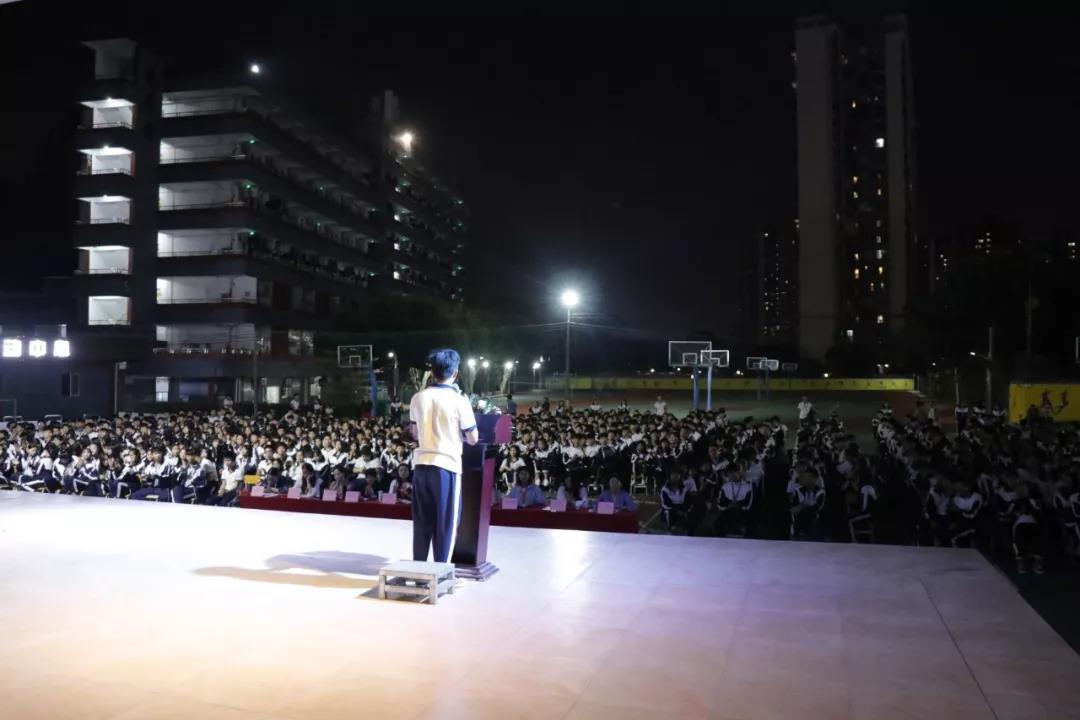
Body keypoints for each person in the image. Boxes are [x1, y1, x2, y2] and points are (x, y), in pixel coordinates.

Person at [408, 348, 478, 563]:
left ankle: (419, 569)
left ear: (432, 372)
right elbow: (473, 438)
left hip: (421, 465)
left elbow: (414, 433)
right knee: (446, 523)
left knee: (422, 523)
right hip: (446, 466)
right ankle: (441, 573)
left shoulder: (418, 397)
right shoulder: (459, 400)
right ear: (455, 372)